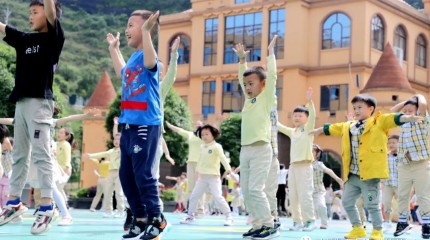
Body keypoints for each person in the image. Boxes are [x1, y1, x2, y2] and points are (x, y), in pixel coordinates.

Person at [310, 94, 422, 239]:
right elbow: (333, 128)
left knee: (372, 204)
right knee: (347, 202)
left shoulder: (378, 122)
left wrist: (407, 118)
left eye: (360, 107)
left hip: (370, 178)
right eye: (354, 108)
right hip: (353, 177)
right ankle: (358, 228)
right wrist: (319, 130)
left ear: (371, 109)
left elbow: (393, 118)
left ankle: (377, 230)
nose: (356, 110)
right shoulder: (348, 126)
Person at [0, 0, 65, 234]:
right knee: (19, 155)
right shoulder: (25, 39)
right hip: (21, 102)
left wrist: (47, 5)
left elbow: (51, 11)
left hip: (40, 103)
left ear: (47, 15)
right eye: (29, 12)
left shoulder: (53, 38)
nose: (30, 16)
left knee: (41, 154)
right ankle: (14, 202)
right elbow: (4, 28)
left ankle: (47, 206)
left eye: (35, 12)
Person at [106, 9, 167, 240]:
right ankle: (140, 218)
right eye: (127, 24)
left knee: (144, 174)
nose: (126, 29)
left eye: (132, 25)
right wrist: (114, 50)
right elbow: (123, 73)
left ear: (146, 29)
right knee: (126, 175)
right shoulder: (133, 58)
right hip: (128, 124)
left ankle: (156, 218)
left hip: (146, 124)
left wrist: (146, 32)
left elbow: (151, 62)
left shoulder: (149, 57)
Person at [232, 35, 280, 239]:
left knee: (256, 189)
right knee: (246, 190)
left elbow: (274, 77)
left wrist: (270, 54)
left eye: (252, 83)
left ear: (263, 84)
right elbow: (243, 77)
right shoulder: (248, 101)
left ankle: (269, 224)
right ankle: (258, 223)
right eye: (246, 84)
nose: (248, 87)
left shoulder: (266, 98)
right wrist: (242, 61)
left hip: (261, 148)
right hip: (246, 149)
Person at [277, 87, 317, 231]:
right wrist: (270, 113)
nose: (296, 117)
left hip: (305, 166)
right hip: (293, 167)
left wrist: (310, 102)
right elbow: (278, 126)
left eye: (300, 115)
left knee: (305, 195)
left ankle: (310, 221)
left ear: (306, 118)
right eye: (295, 115)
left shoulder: (308, 129)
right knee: (293, 196)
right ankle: (297, 222)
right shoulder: (292, 131)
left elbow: (312, 116)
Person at [390, 94, 430, 238]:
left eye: (410, 111)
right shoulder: (402, 122)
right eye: (405, 111)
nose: (407, 113)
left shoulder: (422, 120)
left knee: (423, 195)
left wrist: (417, 96)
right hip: (404, 164)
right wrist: (406, 103)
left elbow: (424, 104)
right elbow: (392, 112)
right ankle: (403, 222)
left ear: (418, 111)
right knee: (402, 195)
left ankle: (426, 224)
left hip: (420, 163)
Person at [180, 124, 234, 226]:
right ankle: (190, 216)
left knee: (218, 197)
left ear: (213, 135)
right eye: (202, 134)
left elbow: (223, 159)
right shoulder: (202, 147)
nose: (204, 136)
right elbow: (200, 161)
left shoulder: (217, 146)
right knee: (194, 196)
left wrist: (229, 171)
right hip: (202, 177)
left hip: (213, 177)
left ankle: (229, 217)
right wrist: (197, 172)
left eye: (206, 134)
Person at [165, 120, 205, 214]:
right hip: (190, 163)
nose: (197, 125)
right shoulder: (190, 134)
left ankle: (200, 208)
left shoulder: (205, 136)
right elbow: (180, 130)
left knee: (199, 186)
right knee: (190, 186)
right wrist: (170, 125)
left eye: (200, 124)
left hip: (201, 163)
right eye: (196, 124)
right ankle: (191, 208)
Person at [84, 133, 125, 218]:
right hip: (110, 173)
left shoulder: (124, 150)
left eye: (119, 139)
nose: (116, 141)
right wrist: (91, 156)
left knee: (119, 193)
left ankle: (121, 210)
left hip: (119, 172)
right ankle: (108, 211)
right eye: (115, 139)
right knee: (108, 193)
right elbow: (102, 154)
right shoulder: (111, 151)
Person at [311, 144, 344, 229]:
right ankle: (308, 223)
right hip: (307, 190)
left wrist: (338, 179)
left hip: (318, 190)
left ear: (317, 154)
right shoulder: (304, 164)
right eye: (310, 150)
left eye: (313, 150)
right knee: (307, 207)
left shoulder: (319, 164)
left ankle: (324, 223)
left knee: (321, 205)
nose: (311, 152)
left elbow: (328, 171)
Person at [381, 135, 399, 232]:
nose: (391, 145)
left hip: (400, 184)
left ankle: (406, 223)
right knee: (386, 203)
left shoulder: (403, 156)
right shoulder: (385, 156)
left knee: (402, 204)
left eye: (393, 143)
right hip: (388, 184)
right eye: (389, 143)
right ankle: (387, 222)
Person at [0, 136, 12, 210]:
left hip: (8, 178)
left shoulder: (10, 152)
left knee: (6, 196)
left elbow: (11, 148)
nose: (4, 145)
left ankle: (7, 211)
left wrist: (8, 143)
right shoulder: (1, 153)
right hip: (1, 178)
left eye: (5, 143)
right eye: (2, 143)